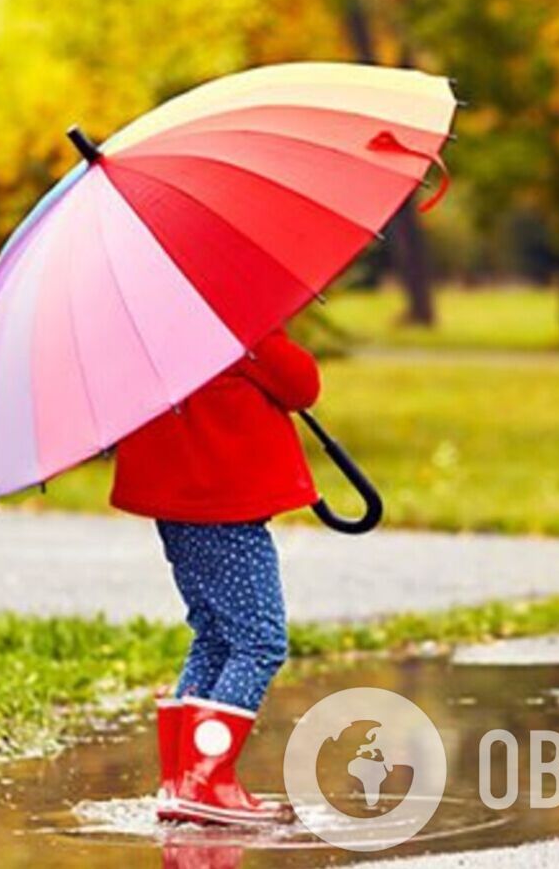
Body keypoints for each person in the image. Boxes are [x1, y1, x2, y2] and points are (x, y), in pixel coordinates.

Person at [110, 329, 320, 826]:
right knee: (257, 643)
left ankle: (182, 783)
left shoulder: (142, 331)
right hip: (224, 510)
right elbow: (301, 384)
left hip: (179, 508)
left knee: (215, 639)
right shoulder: (231, 326)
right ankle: (207, 780)